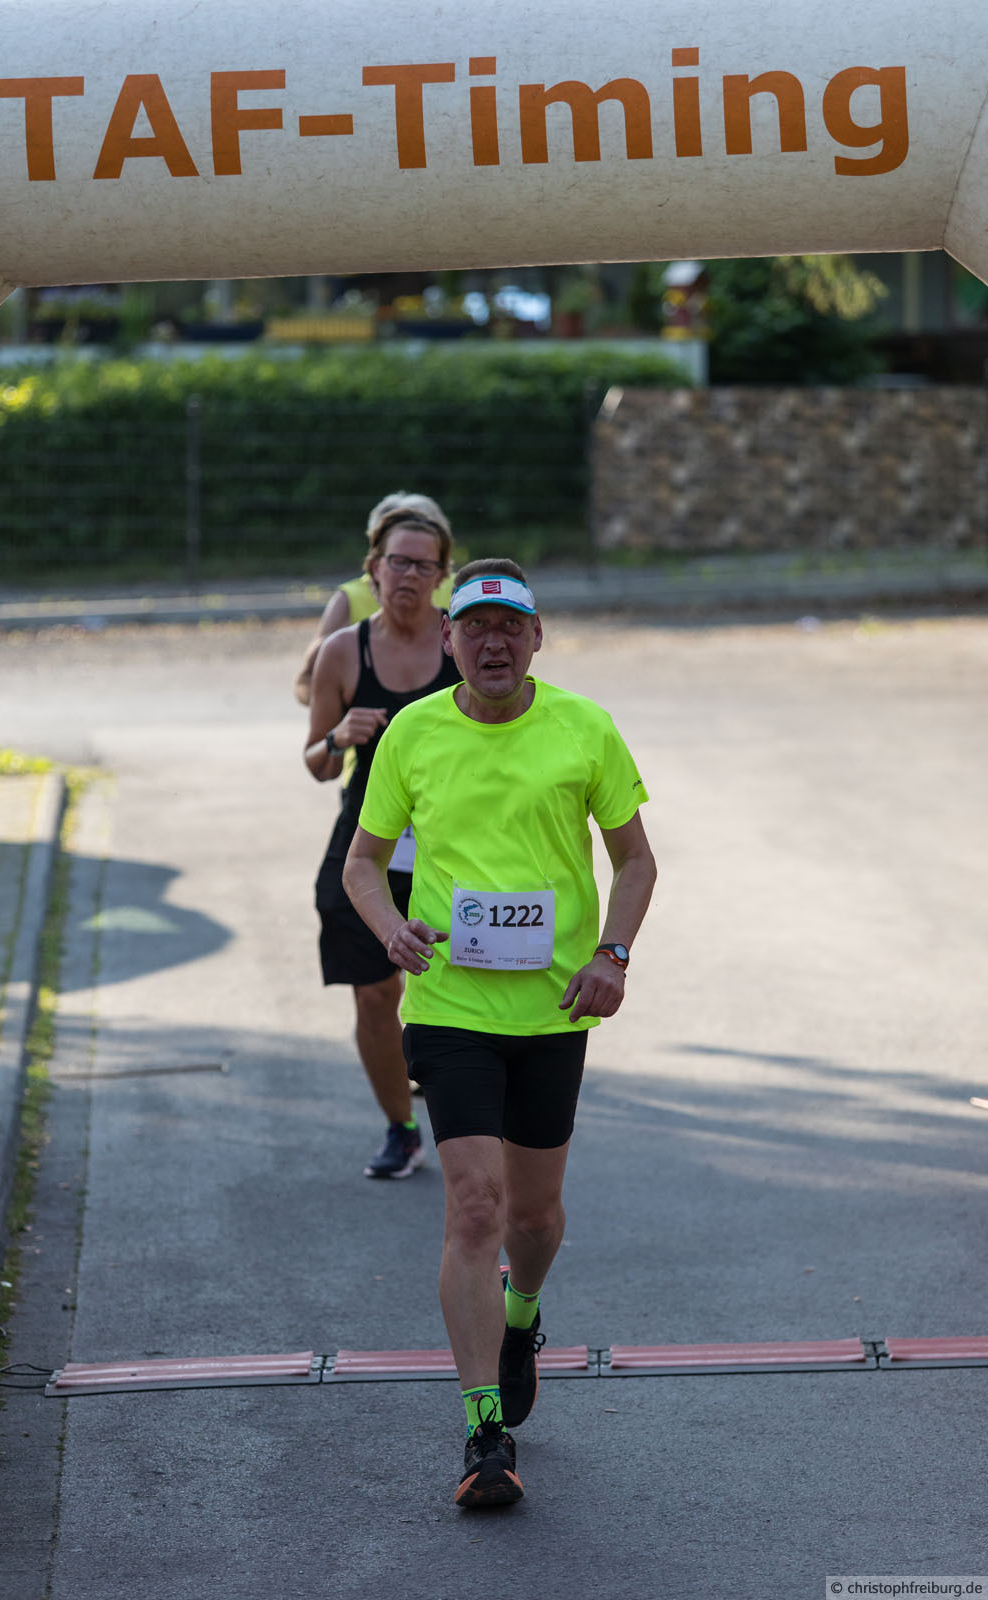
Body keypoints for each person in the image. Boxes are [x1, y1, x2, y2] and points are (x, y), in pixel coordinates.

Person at [343, 557, 656, 1509]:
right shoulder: (413, 732)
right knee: (474, 1208)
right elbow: (363, 864)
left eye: (509, 627)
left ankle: (521, 1314)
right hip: (449, 1009)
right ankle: (485, 1430)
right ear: (449, 639)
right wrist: (389, 929)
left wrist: (612, 956)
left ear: (535, 637)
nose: (491, 643)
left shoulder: (583, 727)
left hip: (553, 1011)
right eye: (474, 627)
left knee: (534, 1217)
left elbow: (636, 862)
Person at [305, 501, 462, 1178]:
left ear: (442, 575)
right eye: (398, 562)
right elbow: (316, 763)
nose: (409, 576)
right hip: (368, 846)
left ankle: (470, 1122)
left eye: (424, 566)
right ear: (373, 568)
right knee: (374, 995)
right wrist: (338, 737)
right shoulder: (343, 652)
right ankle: (402, 1128)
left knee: (457, 991)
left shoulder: (461, 642)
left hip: (453, 845)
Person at [293, 492, 454, 707]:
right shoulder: (350, 598)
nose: (411, 573)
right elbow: (307, 683)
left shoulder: (459, 591)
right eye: (400, 558)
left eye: (423, 563)